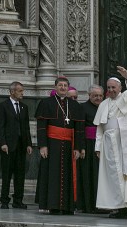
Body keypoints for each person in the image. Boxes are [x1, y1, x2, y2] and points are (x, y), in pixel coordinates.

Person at [94, 67, 127, 220]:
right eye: (109, 87)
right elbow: (100, 128)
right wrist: (98, 147)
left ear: (120, 88)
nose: (111, 90)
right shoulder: (103, 104)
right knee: (114, 177)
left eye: (114, 87)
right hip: (109, 145)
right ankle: (120, 208)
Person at [34, 76, 84, 215]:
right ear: (55, 87)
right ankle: (53, 205)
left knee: (68, 175)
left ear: (68, 88)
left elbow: (79, 129)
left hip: (69, 146)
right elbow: (41, 127)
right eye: (60, 85)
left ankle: (68, 206)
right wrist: (42, 146)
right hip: (52, 145)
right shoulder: (46, 103)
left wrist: (77, 148)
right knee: (52, 174)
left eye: (65, 85)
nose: (63, 88)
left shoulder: (74, 105)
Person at [0, 81, 33, 209]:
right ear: (12, 92)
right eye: (20, 91)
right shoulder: (3, 106)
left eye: (22, 91)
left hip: (21, 146)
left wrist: (29, 144)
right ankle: (4, 200)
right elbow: (0, 127)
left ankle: (18, 200)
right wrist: (3, 143)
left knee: (20, 174)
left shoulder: (24, 107)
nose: (22, 93)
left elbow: (26, 127)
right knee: (6, 174)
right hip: (8, 146)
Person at [77, 84, 103, 213]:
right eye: (95, 96)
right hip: (89, 145)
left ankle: (101, 204)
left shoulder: (105, 106)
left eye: (100, 95)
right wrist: (81, 147)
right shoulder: (83, 107)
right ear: (89, 96)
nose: (98, 98)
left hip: (103, 145)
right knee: (89, 175)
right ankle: (89, 205)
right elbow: (80, 129)